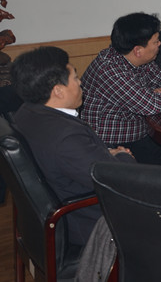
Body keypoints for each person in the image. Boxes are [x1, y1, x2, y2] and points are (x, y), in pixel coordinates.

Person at [11, 46, 135, 246]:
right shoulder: (66, 137)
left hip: (60, 208)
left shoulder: (26, 113)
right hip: (91, 223)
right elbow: (122, 182)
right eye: (75, 78)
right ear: (58, 91)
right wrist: (123, 155)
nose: (80, 83)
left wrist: (104, 154)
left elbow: (77, 161)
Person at [81, 13, 161, 165]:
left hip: (140, 133)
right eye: (155, 42)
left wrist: (160, 92)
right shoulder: (110, 69)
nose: (159, 44)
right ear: (138, 50)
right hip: (113, 144)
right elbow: (150, 105)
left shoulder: (138, 59)